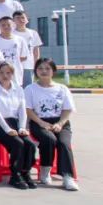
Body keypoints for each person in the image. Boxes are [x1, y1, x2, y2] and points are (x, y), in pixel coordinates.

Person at [25, 58, 79, 191]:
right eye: (40, 68)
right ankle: (45, 170)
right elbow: (28, 110)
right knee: (49, 139)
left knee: (64, 143)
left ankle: (67, 176)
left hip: (61, 122)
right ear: (35, 71)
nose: (44, 71)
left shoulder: (62, 89)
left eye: (47, 68)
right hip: (38, 121)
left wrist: (60, 124)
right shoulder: (30, 89)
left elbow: (67, 109)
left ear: (53, 71)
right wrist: (41, 122)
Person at [0, 61, 38, 190]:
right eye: (1, 72)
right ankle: (15, 175)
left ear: (12, 74)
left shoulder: (18, 89)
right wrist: (7, 129)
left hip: (14, 122)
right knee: (17, 143)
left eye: (8, 73)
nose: (5, 75)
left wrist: (22, 127)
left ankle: (25, 172)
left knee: (30, 144)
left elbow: (22, 109)